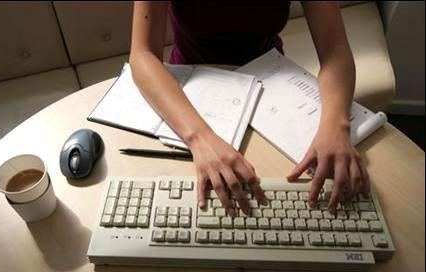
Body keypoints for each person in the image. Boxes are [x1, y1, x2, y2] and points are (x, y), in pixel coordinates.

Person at [129, 1, 370, 217]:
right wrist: (199, 137)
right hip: (193, 95)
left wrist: (336, 125)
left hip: (271, 88)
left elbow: (335, 51)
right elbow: (143, 54)